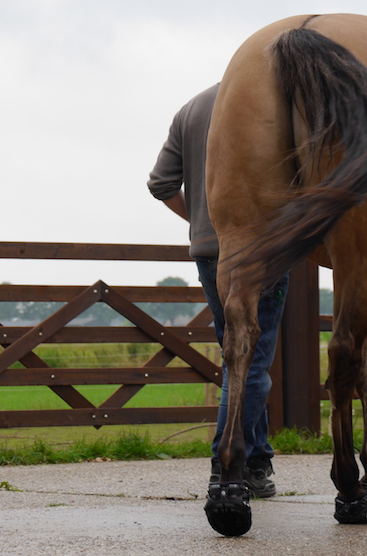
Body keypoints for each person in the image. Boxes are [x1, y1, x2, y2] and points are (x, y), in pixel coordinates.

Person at [147, 83, 289, 498]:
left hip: (209, 250)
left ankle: (258, 459)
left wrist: (202, 219)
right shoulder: (269, 101)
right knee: (252, 363)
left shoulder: (192, 109)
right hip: (264, 252)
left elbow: (160, 183)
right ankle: (227, 464)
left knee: (237, 358)